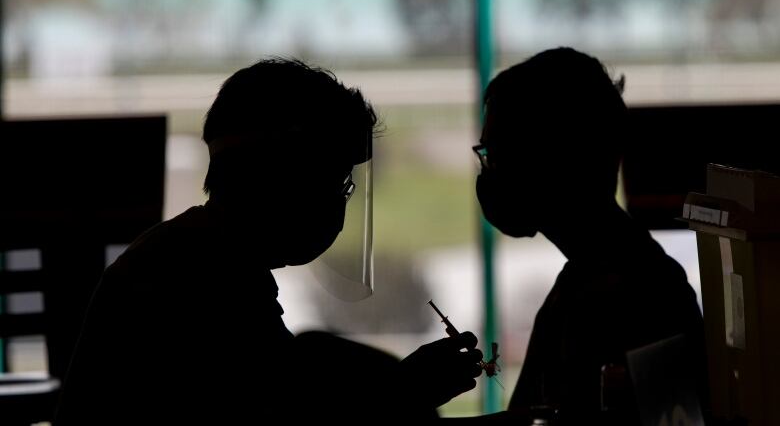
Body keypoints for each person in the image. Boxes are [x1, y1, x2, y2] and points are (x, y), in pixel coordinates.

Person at [55, 58, 483, 424]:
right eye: (334, 180)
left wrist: (401, 388)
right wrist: (404, 391)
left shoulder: (196, 255)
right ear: (281, 175)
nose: (340, 201)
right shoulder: (205, 279)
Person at [473, 47, 707, 424]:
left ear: (551, 159)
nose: (488, 172)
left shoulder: (640, 294)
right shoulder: (596, 280)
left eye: (496, 154)